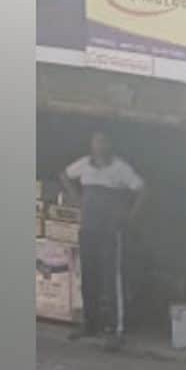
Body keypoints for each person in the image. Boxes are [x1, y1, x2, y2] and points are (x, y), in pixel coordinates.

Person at [59, 130, 146, 349]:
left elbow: (143, 189)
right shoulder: (84, 165)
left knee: (111, 279)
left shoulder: (120, 169)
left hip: (110, 231)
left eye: (103, 142)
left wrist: (130, 216)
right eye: (96, 142)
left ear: (110, 145)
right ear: (91, 145)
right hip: (88, 228)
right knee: (88, 276)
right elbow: (64, 176)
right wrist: (77, 199)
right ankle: (90, 324)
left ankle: (115, 330)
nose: (99, 146)